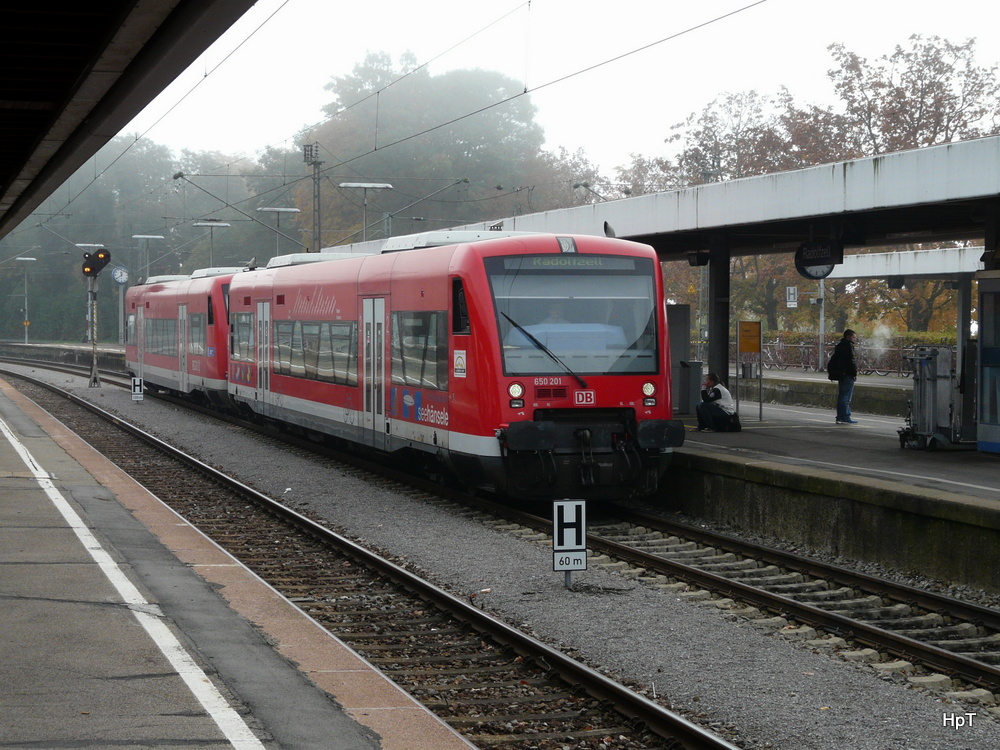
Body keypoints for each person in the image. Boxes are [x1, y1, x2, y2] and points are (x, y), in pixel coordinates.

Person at [827, 329, 859, 424]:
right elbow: (851, 361)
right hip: (847, 374)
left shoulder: (839, 346)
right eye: (853, 337)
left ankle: (840, 417)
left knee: (841, 396)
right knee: (846, 397)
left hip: (840, 374)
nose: (854, 339)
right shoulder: (849, 346)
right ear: (848, 337)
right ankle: (845, 416)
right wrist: (854, 373)